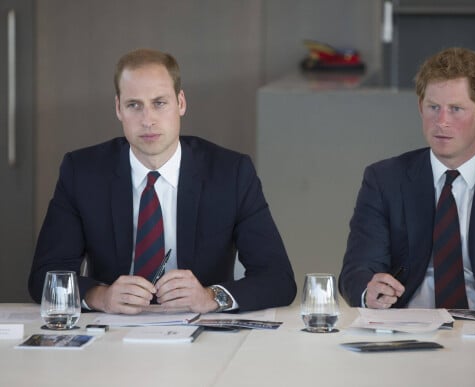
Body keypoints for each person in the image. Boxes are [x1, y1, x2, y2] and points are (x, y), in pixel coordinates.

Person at [29, 48, 296, 314]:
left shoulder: (231, 173)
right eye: (134, 105)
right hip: (113, 331)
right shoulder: (83, 173)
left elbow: (278, 278)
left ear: (180, 103)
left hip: (202, 334)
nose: (148, 120)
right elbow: (45, 276)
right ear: (118, 108)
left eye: (159, 103)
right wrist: (101, 296)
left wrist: (210, 297)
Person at [339, 47, 475, 312]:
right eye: (434, 107)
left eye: (455, 109)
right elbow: (358, 269)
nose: (441, 121)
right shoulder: (384, 180)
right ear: (420, 107)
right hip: (406, 332)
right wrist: (369, 292)